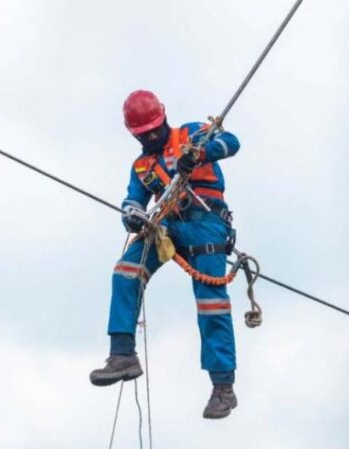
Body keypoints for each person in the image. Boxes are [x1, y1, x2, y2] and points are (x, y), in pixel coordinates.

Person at [89, 90, 242, 419]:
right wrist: (131, 215)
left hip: (206, 222)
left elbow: (232, 142)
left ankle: (223, 387)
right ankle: (122, 355)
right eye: (145, 134)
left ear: (164, 117)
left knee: (211, 302)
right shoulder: (143, 166)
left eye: (156, 130)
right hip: (165, 226)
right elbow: (133, 200)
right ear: (135, 134)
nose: (153, 137)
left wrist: (201, 154)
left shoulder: (190, 134)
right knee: (125, 271)